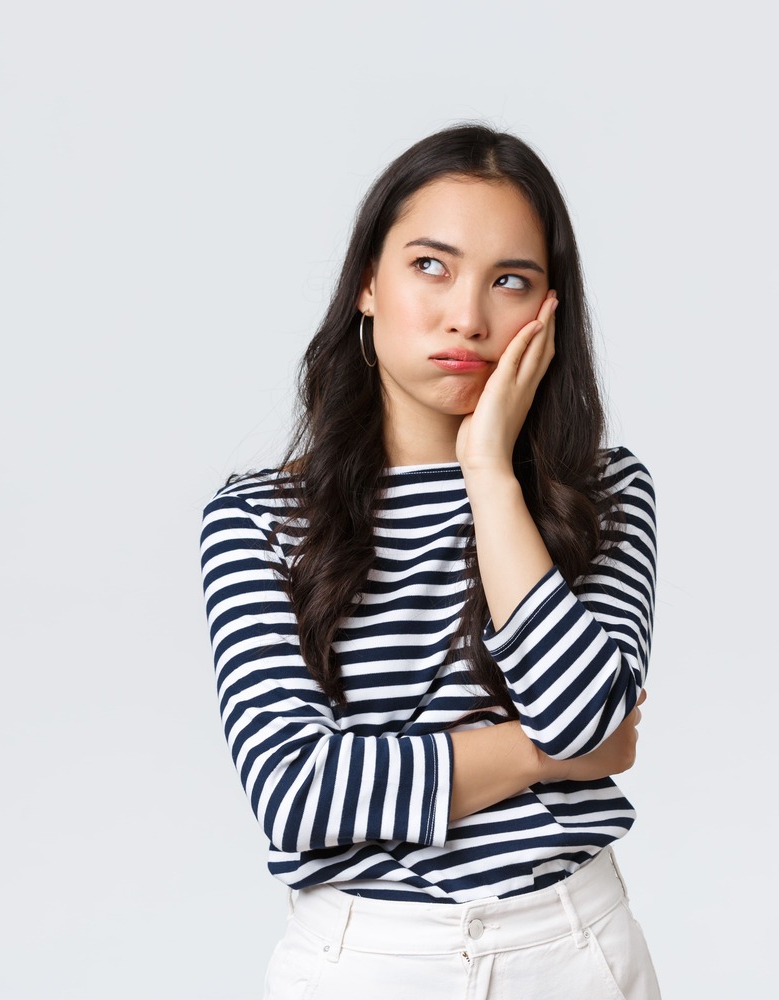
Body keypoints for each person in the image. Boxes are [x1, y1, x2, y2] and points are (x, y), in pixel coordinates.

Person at [199, 122, 660, 998]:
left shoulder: (602, 493)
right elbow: (297, 792)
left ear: (550, 307)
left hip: (571, 950)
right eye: (431, 266)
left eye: (510, 280)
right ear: (368, 283)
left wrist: (488, 472)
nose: (468, 318)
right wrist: (543, 754)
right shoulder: (259, 519)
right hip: (363, 963)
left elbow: (584, 716)